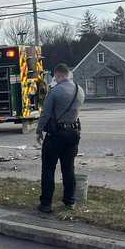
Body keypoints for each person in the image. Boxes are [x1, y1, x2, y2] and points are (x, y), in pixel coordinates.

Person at [36, 64, 84, 213]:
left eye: (55, 77)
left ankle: (46, 204)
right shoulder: (79, 90)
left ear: (58, 75)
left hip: (56, 135)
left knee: (48, 169)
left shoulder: (55, 91)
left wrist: (39, 131)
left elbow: (46, 114)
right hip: (73, 133)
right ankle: (69, 201)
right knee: (68, 168)